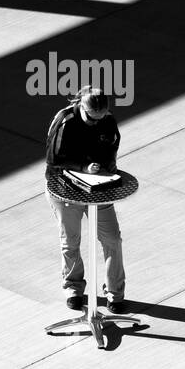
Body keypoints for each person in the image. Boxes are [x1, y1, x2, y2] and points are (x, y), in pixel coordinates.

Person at [45, 86, 128, 312]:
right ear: (81, 105)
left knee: (112, 239)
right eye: (92, 118)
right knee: (70, 241)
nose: (95, 122)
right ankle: (73, 288)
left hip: (97, 189)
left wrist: (108, 163)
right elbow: (54, 158)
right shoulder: (65, 121)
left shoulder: (107, 120)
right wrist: (83, 167)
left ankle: (115, 293)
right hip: (65, 190)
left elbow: (111, 145)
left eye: (100, 118)